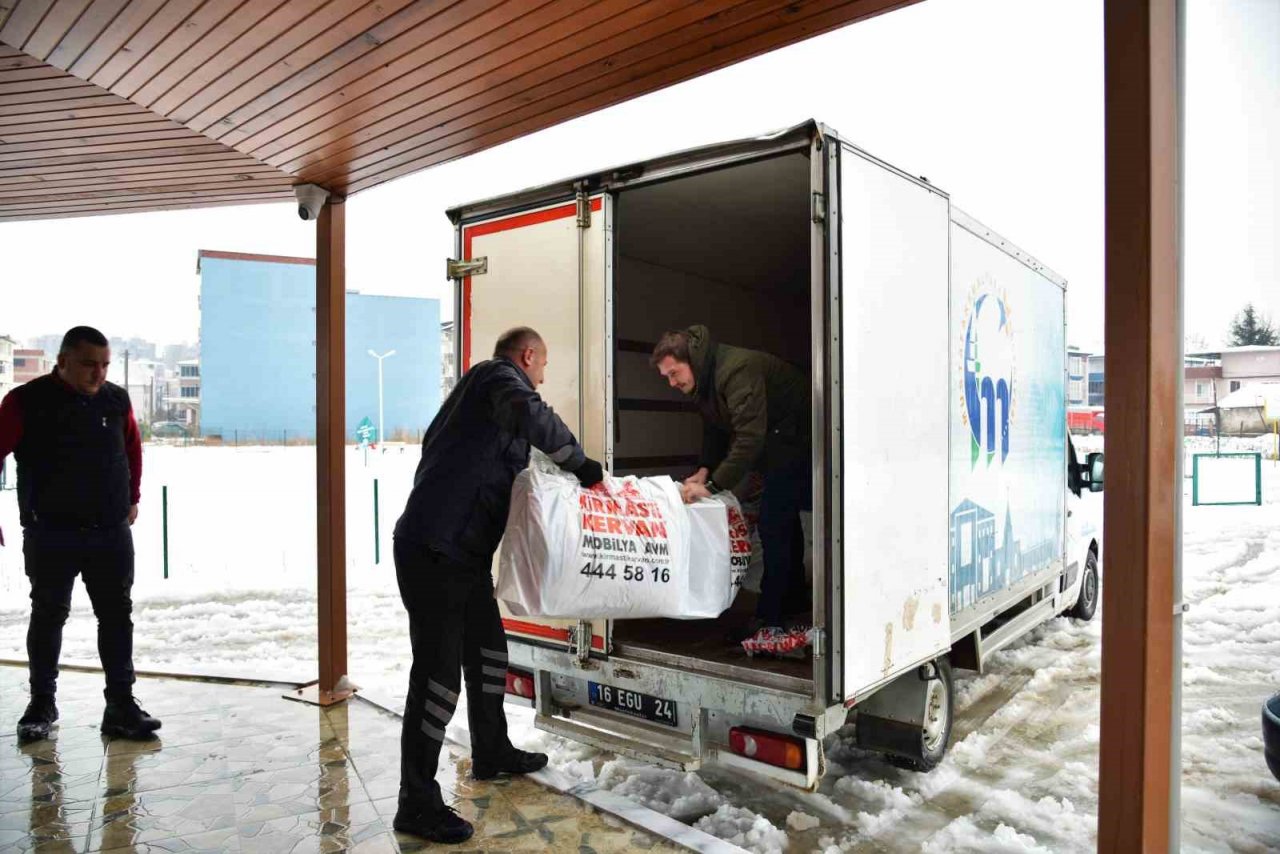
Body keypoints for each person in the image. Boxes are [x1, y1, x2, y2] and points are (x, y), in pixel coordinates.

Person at [391, 326, 604, 844]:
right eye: (543, 369)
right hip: (434, 552)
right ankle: (415, 802)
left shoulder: (482, 407)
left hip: (460, 557)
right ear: (527, 356)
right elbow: (532, 414)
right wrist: (580, 464)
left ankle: (492, 750)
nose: (542, 380)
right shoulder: (496, 378)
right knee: (438, 678)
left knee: (488, 652)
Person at [0, 326, 160, 743]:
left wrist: (133, 497)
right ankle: (41, 703)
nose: (98, 374)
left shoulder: (115, 399)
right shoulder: (24, 402)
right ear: (64, 360)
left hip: (109, 531)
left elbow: (131, 448)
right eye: (89, 364)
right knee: (49, 615)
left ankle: (121, 706)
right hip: (51, 531)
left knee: (116, 616)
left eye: (105, 365)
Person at [651, 325, 811, 647]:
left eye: (674, 373)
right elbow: (716, 430)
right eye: (666, 377)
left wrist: (712, 485)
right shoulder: (705, 380)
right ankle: (791, 602)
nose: (672, 383)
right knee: (782, 522)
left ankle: (771, 616)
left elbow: (749, 437)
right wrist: (704, 469)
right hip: (776, 441)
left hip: (798, 436)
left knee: (772, 523)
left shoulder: (736, 370)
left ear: (690, 360)